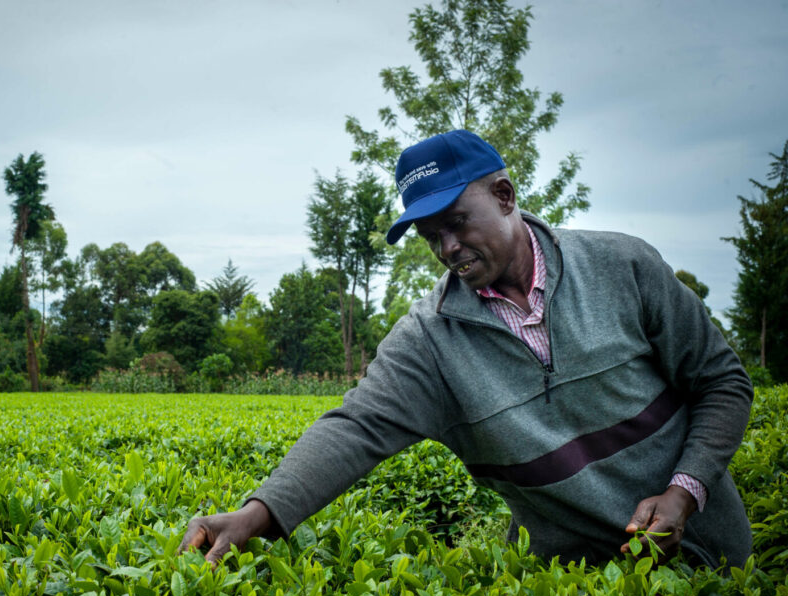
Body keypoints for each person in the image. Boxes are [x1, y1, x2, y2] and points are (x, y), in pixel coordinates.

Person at [180, 130, 753, 568]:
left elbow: (722, 382)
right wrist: (259, 513)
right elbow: (355, 428)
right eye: (432, 236)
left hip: (710, 556)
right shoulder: (429, 340)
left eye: (457, 222)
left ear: (503, 196)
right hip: (581, 590)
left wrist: (685, 491)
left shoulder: (621, 266)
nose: (448, 247)